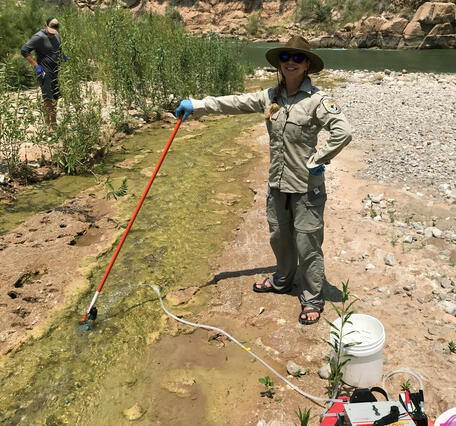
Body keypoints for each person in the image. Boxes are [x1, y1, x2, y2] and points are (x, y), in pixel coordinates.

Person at [175, 36, 352, 325]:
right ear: (279, 63)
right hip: (277, 186)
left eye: (297, 58)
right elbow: (233, 103)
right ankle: (282, 281)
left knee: (308, 245)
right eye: (285, 58)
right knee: (280, 239)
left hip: (307, 188)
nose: (291, 62)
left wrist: (319, 160)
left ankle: (312, 298)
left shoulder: (319, 100)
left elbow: (343, 132)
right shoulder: (269, 97)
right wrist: (197, 105)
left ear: (307, 64)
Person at [21, 17, 67, 126]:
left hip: (55, 70)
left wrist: (62, 55)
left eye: (54, 33)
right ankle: (48, 126)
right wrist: (36, 65)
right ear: (45, 26)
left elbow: (58, 49)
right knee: (48, 98)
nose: (52, 35)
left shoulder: (57, 35)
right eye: (50, 32)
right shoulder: (38, 37)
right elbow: (24, 50)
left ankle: (54, 123)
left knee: (55, 96)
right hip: (44, 71)